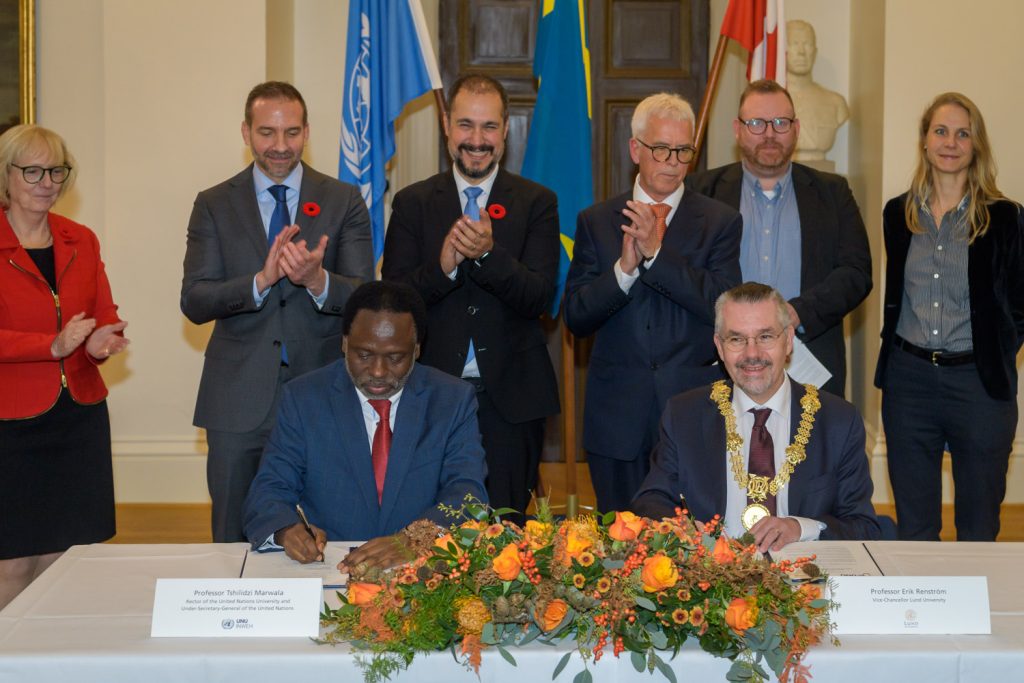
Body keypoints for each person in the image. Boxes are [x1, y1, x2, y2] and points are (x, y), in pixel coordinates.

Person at [181, 81, 373, 542]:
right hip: (236, 397)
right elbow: (195, 300)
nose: (280, 146)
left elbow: (366, 298)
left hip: (323, 391)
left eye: (291, 133)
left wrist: (316, 280)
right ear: (246, 132)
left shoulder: (343, 199)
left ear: (308, 132)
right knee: (231, 534)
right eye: (267, 132)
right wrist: (260, 282)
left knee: (323, 533)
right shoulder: (213, 203)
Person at [381, 74, 559, 522]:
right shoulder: (413, 202)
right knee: (429, 533)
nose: (476, 140)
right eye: (465, 125)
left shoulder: (537, 202)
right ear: (446, 125)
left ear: (506, 130)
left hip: (512, 401)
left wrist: (487, 255)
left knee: (507, 537)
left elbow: (539, 296)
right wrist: (443, 268)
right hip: (428, 398)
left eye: (489, 127)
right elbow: (394, 303)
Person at [564, 92, 743, 514]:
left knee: (690, 550)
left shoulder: (719, 221)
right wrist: (623, 271)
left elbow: (722, 306)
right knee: (617, 550)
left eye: (683, 151)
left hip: (693, 413)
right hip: (616, 418)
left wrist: (658, 255)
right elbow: (576, 316)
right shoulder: (597, 220)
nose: (672, 161)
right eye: (661, 149)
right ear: (635, 150)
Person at [243, 281, 488, 565]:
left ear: (417, 349)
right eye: (364, 355)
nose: (378, 371)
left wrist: (413, 539)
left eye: (395, 357)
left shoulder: (452, 400)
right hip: (327, 566)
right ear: (344, 342)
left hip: (419, 569)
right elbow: (269, 488)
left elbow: (468, 495)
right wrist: (287, 529)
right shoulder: (304, 398)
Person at [875, 92, 1024, 542]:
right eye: (941, 131)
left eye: (963, 133)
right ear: (924, 140)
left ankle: (978, 612)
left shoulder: (1005, 217)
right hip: (908, 382)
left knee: (978, 525)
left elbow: (1019, 305)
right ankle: (921, 613)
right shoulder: (898, 213)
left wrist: (994, 353)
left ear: (976, 145)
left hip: (978, 386)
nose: (951, 142)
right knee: (916, 526)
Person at [632, 283, 880, 552]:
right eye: (737, 339)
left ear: (788, 340)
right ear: (719, 346)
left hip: (804, 578)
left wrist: (801, 527)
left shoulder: (837, 421)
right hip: (711, 580)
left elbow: (863, 526)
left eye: (765, 337)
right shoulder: (684, 414)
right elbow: (651, 499)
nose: (752, 354)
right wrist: (677, 526)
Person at [0, 125, 129, 609]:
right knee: (12, 561)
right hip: (10, 422)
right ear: (6, 176)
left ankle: (49, 664)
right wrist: (51, 346)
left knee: (66, 557)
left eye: (55, 170)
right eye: (31, 170)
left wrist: (100, 342)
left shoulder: (81, 240)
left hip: (77, 415)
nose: (45, 181)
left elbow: (104, 315)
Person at [687, 79, 871, 397]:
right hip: (722, 366)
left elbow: (856, 273)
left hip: (808, 363)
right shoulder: (702, 192)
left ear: (796, 128)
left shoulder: (832, 192)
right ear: (737, 128)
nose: (769, 134)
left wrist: (798, 312)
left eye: (780, 123)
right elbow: (688, 276)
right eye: (756, 123)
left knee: (809, 448)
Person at [784, 20, 849, 163]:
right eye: (794, 44)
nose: (801, 52)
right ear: (783, 50)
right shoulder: (773, 104)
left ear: (815, 52)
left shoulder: (835, 102)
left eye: (807, 44)